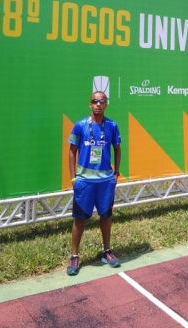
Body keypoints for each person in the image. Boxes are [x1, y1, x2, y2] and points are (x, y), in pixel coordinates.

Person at [66, 91, 121, 276]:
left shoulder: (112, 125)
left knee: (106, 216)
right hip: (84, 181)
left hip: (105, 181)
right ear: (90, 104)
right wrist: (74, 178)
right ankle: (74, 255)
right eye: (95, 101)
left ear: (106, 104)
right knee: (79, 218)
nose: (98, 104)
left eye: (102, 101)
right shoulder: (80, 125)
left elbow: (117, 149)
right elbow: (71, 151)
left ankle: (106, 251)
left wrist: (116, 173)